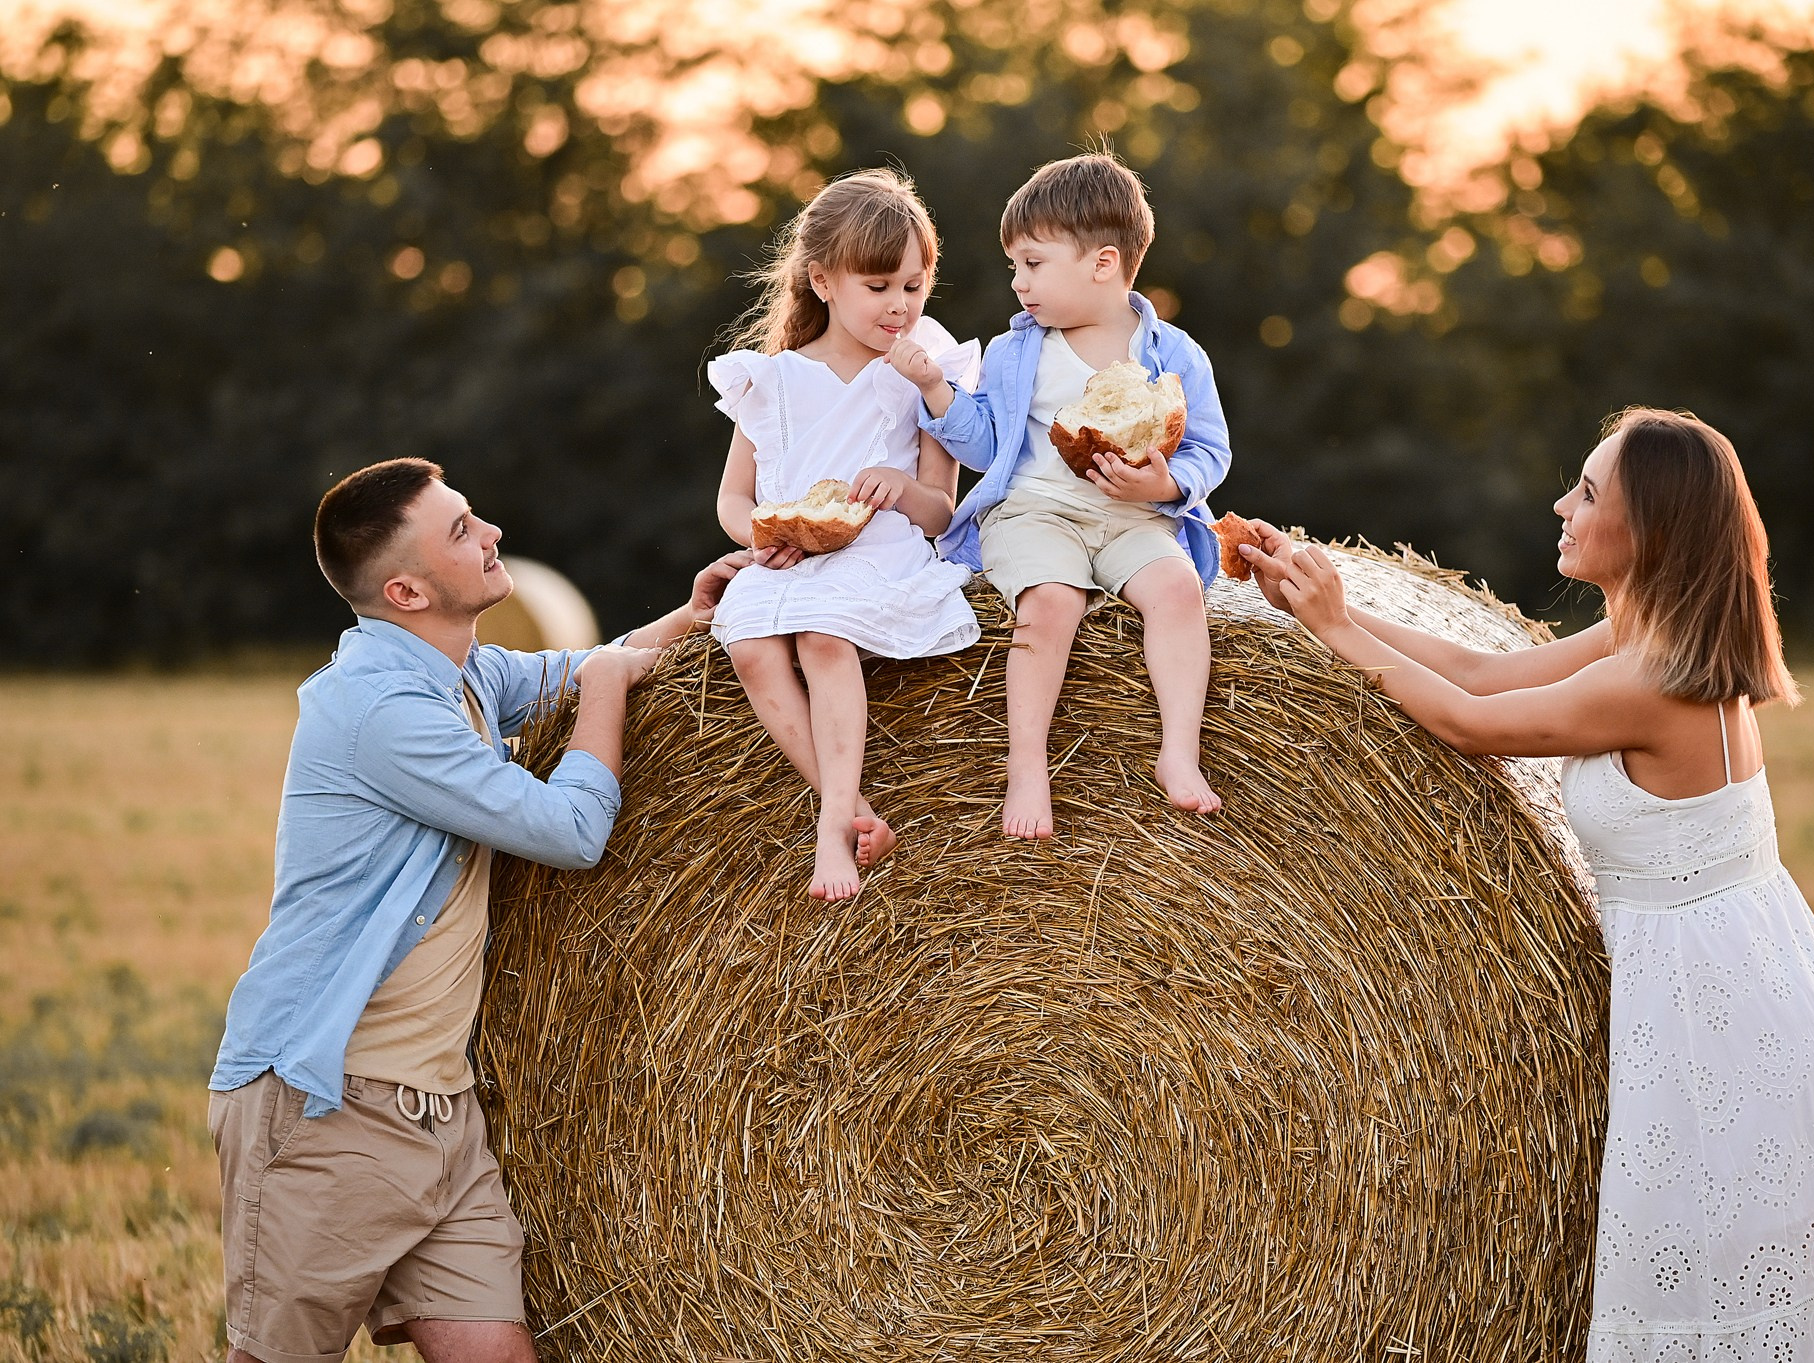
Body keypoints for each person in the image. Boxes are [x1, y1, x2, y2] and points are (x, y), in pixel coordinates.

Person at [1239, 408, 1814, 1363]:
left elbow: (1470, 722)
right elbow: (1482, 671)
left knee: (1721, 1312)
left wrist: (1333, 624)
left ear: (1651, 530)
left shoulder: (1654, 679)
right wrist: (1316, 607)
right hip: (1729, 986)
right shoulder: (1644, 638)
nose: (1563, 505)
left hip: (1727, 1016)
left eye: (1589, 493)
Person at [209, 457, 750, 1363]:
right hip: (329, 1109)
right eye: (461, 529)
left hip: (443, 1117)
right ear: (407, 590)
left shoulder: (461, 676)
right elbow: (571, 827)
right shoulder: (384, 711)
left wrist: (692, 619)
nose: (493, 533)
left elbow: (584, 669)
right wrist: (607, 685)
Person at [887, 151, 1232, 839]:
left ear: (1103, 264)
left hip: (1136, 519)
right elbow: (987, 445)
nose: (1018, 282)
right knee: (1050, 602)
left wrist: (1165, 484)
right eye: (1014, 265)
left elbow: (1209, 450)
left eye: (1033, 264)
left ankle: (1179, 752)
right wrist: (935, 390)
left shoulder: (1174, 355)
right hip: (1035, 510)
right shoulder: (1017, 352)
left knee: (1178, 592)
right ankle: (1027, 766)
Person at [709, 168, 981, 901]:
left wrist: (901, 489)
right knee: (750, 646)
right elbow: (733, 498)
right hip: (789, 557)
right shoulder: (771, 380)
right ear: (824, 281)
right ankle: (858, 809)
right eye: (879, 286)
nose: (900, 305)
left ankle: (832, 831)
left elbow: (941, 511)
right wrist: (759, 532)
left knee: (822, 638)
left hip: (879, 552)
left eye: (914, 285)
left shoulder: (924, 373)